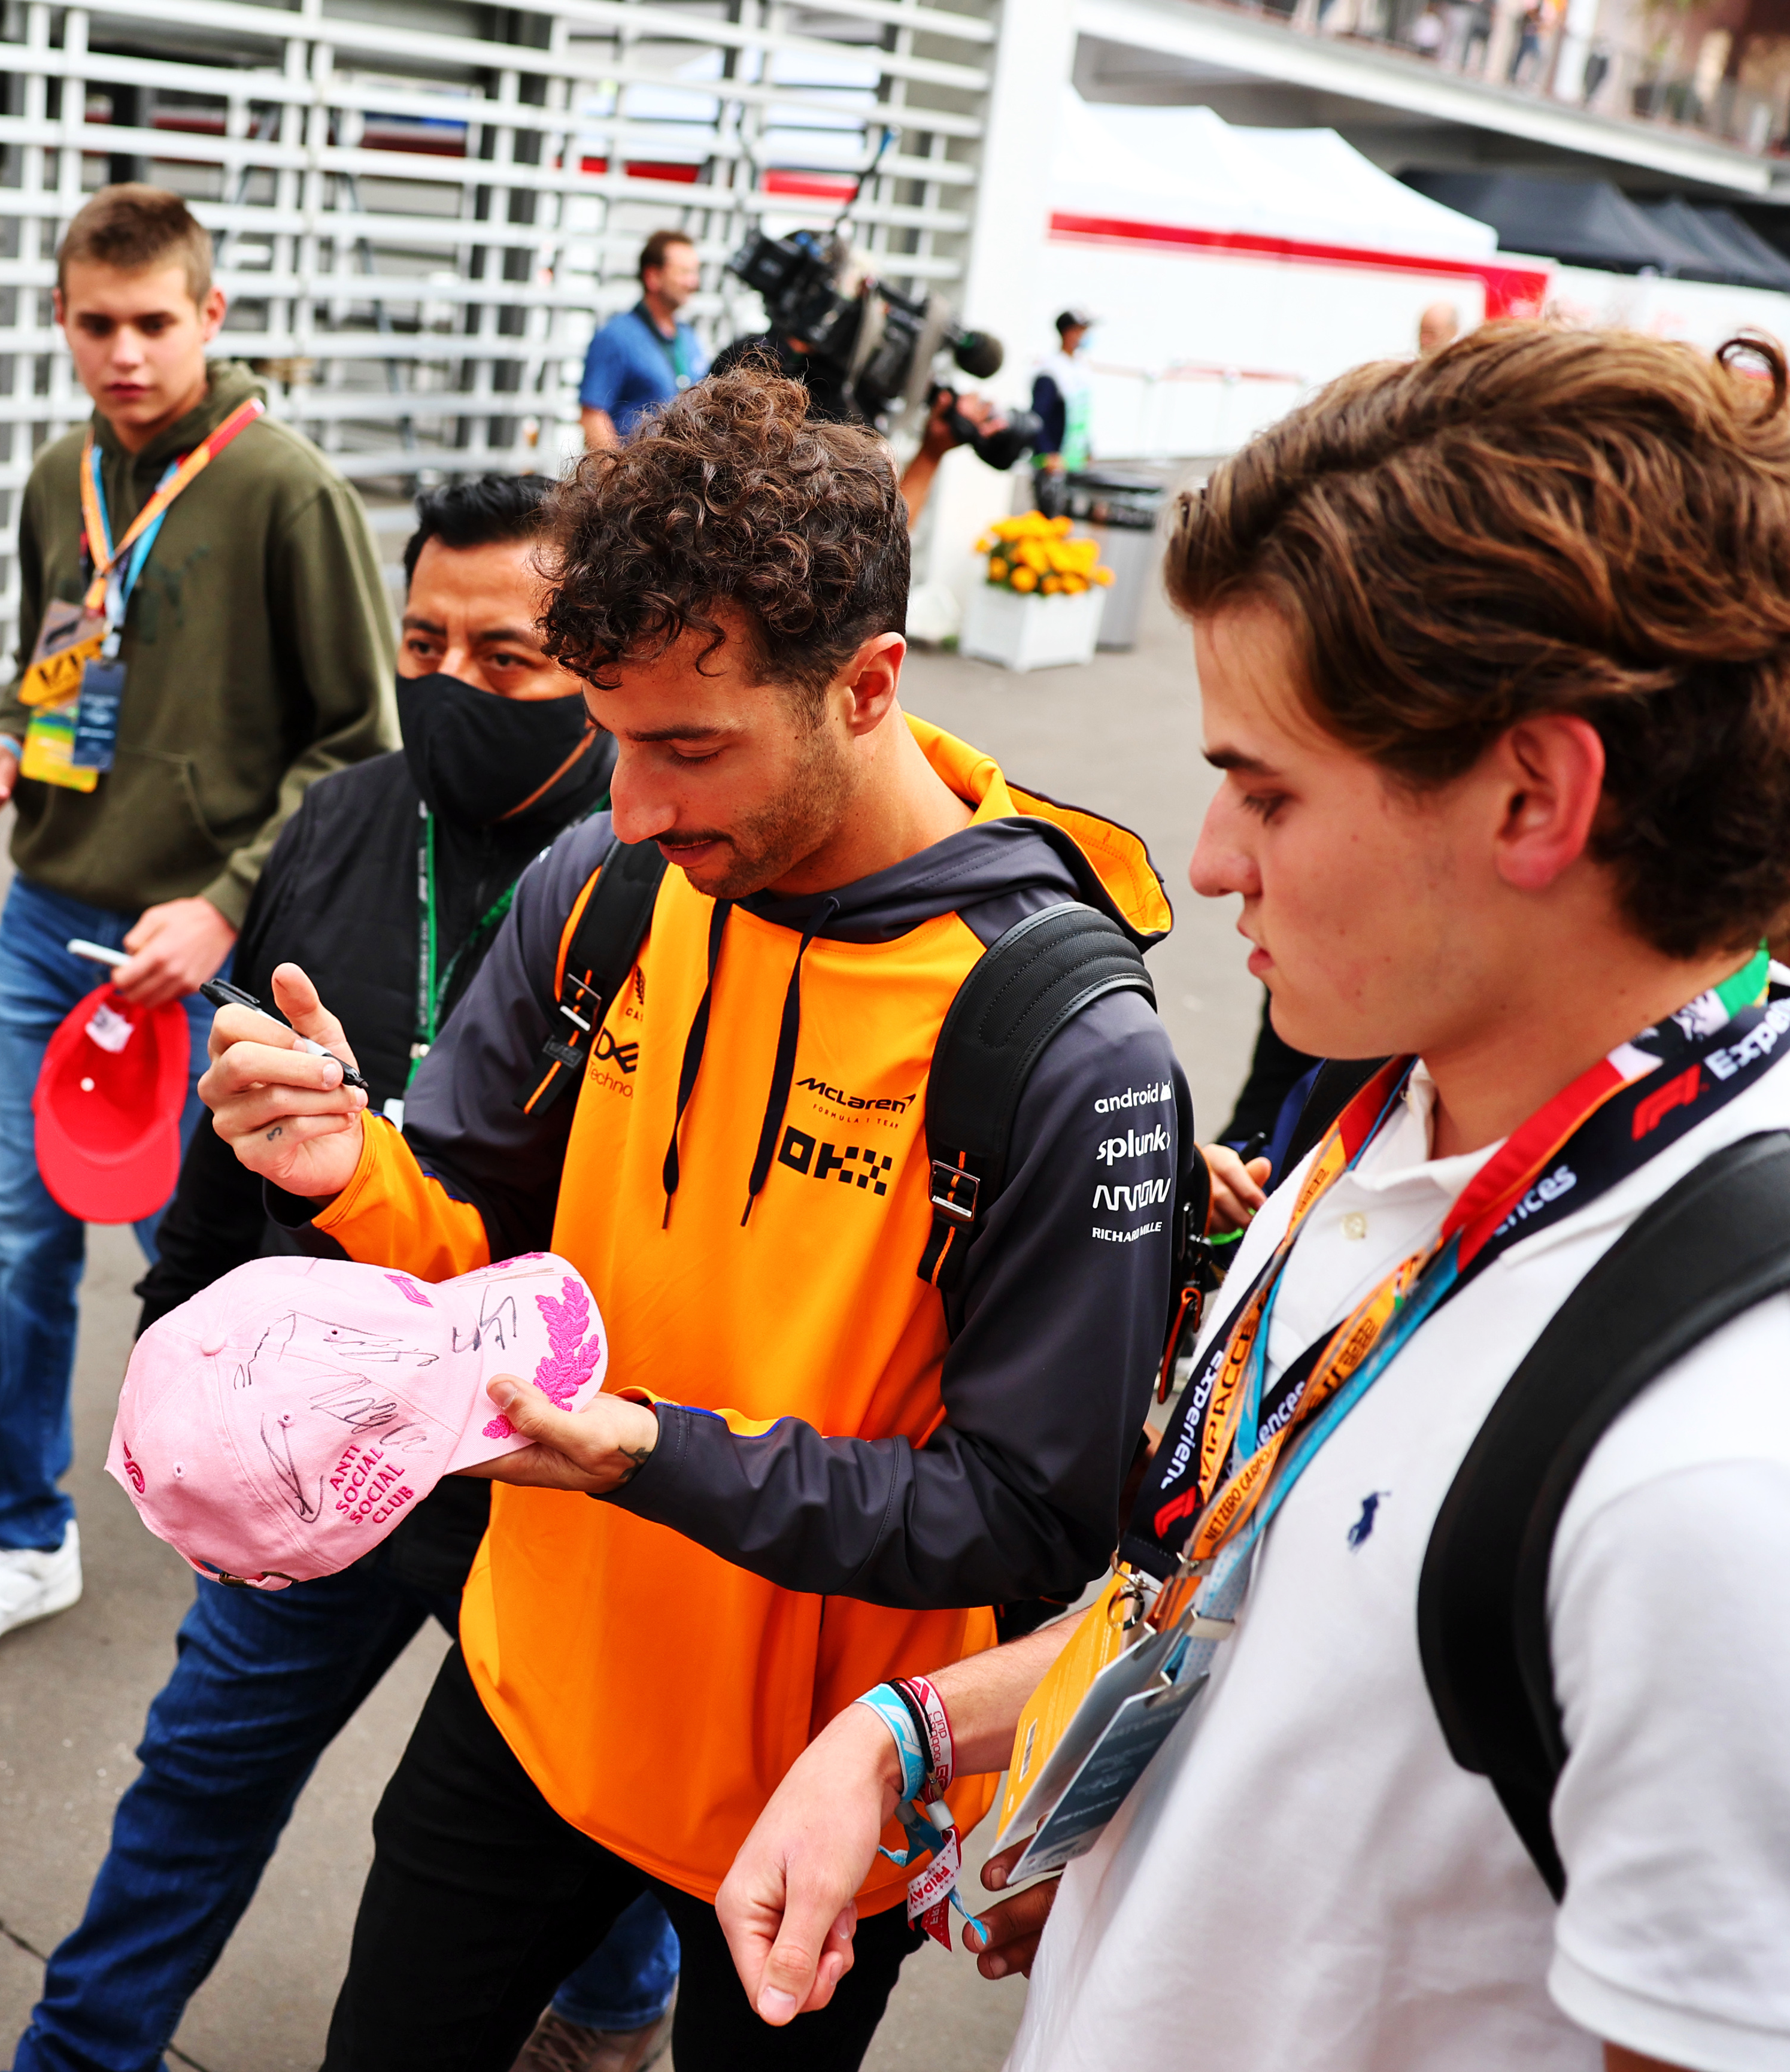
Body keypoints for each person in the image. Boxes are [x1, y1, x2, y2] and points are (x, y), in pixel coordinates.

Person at [715, 324, 1790, 2071]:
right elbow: (1238, 1596)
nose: (1208, 860)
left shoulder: (1719, 1471)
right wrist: (916, 1737)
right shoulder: (1397, 1122)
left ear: (1538, 791)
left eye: (1265, 788)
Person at [199, 365, 1188, 2070]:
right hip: (525, 1699)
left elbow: (1024, 1518)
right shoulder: (603, 884)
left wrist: (650, 1454)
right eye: (614, 734)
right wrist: (345, 1162)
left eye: (690, 743)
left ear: (871, 682)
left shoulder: (1065, 1041)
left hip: (815, 1798)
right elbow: (479, 1272)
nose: (635, 801)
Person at [12, 474, 678, 2072]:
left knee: (596, 1796)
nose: (456, 682)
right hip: (314, 1459)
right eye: (426, 641)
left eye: (509, 655)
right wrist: (175, 1330)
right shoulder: (346, 819)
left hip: (544, 1467)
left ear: (601, 659)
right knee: (194, 1782)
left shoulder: (675, 872)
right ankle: (77, 2054)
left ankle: (605, 2013)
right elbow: (224, 1119)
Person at [0, 184, 391, 1678]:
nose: (122, 354)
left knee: (216, 1274)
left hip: (207, 946)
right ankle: (19, 1537)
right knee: (9, 1242)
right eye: (94, 325)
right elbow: (57, 667)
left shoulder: (285, 489)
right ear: (61, 321)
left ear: (210, 316)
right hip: (49, 917)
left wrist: (224, 899)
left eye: (151, 324)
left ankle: (253, 1540)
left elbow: (360, 747)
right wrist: (1, 747)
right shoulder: (64, 475)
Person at [577, 230, 706, 450]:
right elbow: (593, 416)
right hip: (633, 478)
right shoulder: (616, 336)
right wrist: (614, 476)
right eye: (684, 272)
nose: (694, 283)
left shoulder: (688, 337)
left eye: (695, 272)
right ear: (653, 277)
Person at [1029, 310, 1096, 484]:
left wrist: (1088, 448)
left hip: (1074, 461)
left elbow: (1081, 413)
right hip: (1054, 463)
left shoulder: (1081, 367)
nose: (1085, 336)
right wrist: (1047, 453)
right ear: (1068, 333)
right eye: (1081, 330)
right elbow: (1037, 417)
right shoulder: (1051, 370)